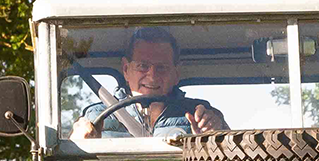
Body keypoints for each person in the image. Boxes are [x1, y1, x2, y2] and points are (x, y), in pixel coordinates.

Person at [71, 26, 228, 140]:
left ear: (176, 73)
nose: (152, 76)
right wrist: (79, 142)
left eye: (162, 67)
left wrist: (213, 134)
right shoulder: (96, 115)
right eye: (143, 66)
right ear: (126, 69)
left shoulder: (197, 114)